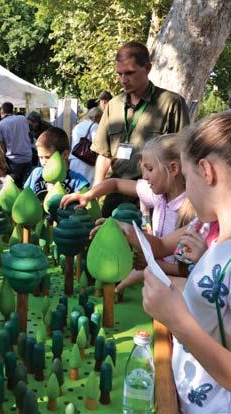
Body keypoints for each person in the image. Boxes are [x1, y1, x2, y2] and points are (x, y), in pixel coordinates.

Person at [141, 113, 231, 413]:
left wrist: (176, 320)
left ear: (206, 171)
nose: (186, 188)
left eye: (188, 177)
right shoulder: (219, 244)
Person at [63, 133, 194, 288]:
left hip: (180, 291)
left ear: (173, 168)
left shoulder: (194, 211)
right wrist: (87, 196)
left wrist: (152, 263)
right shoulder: (158, 195)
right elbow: (115, 184)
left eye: (150, 169)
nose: (144, 176)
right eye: (143, 169)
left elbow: (190, 269)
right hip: (157, 279)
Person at [91, 41, 190, 216]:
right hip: (115, 194)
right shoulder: (113, 105)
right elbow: (104, 155)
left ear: (148, 68)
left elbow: (184, 156)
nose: (123, 80)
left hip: (154, 196)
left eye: (129, 73)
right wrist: (95, 193)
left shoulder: (171, 103)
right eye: (119, 74)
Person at [24, 126, 90, 201]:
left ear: (65, 154)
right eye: (40, 157)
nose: (43, 162)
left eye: (48, 157)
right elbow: (26, 197)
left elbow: (83, 203)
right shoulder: (36, 174)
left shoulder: (77, 181)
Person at [0, 102, 33, 187]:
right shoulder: (23, 118)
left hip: (13, 161)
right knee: (28, 186)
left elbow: (1, 145)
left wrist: (1, 161)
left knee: (12, 187)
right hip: (27, 157)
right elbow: (29, 133)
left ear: (2, 111)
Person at [69, 106, 103, 184]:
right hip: (86, 160)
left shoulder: (78, 126)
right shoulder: (95, 126)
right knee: (85, 185)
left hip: (74, 158)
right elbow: (97, 144)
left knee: (74, 184)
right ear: (97, 117)